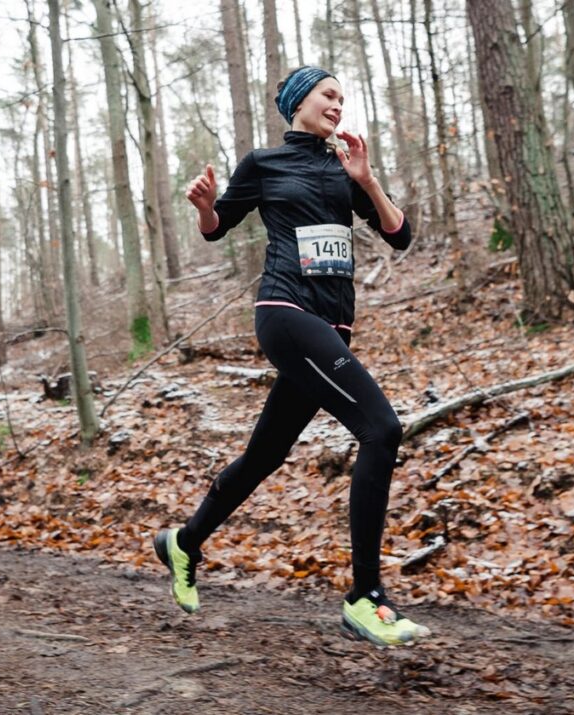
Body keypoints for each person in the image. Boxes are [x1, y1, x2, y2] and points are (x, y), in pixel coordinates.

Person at [153, 66, 431, 646]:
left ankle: (185, 540)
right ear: (299, 101)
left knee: (265, 455)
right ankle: (365, 596)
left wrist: (369, 180)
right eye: (329, 94)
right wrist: (205, 205)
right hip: (285, 314)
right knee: (381, 429)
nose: (338, 104)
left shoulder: (343, 165)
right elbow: (216, 227)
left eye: (342, 98)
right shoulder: (263, 163)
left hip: (333, 328)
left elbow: (400, 237)